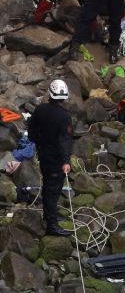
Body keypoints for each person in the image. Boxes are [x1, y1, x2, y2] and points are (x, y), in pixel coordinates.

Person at [26, 80, 73, 237]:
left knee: (48, 186)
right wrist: (66, 161)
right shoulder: (64, 116)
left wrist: (37, 142)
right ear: (64, 96)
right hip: (56, 160)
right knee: (52, 191)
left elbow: (31, 127)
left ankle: (49, 215)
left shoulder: (40, 109)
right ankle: (52, 225)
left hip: (43, 154)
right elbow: (64, 140)